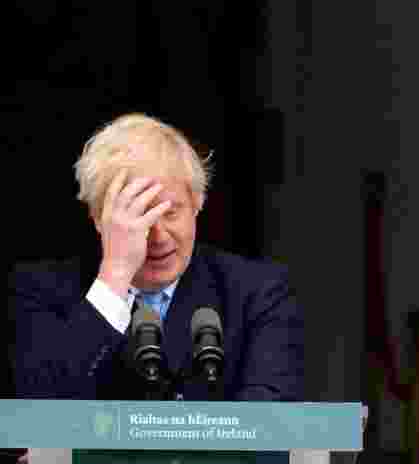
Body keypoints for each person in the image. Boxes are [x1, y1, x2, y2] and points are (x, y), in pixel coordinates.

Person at [9, 113, 304, 401]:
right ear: (99, 219)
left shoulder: (258, 293)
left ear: (197, 203)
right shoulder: (39, 291)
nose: (159, 236)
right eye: (140, 215)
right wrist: (115, 275)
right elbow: (40, 413)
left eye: (171, 212)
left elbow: (270, 421)